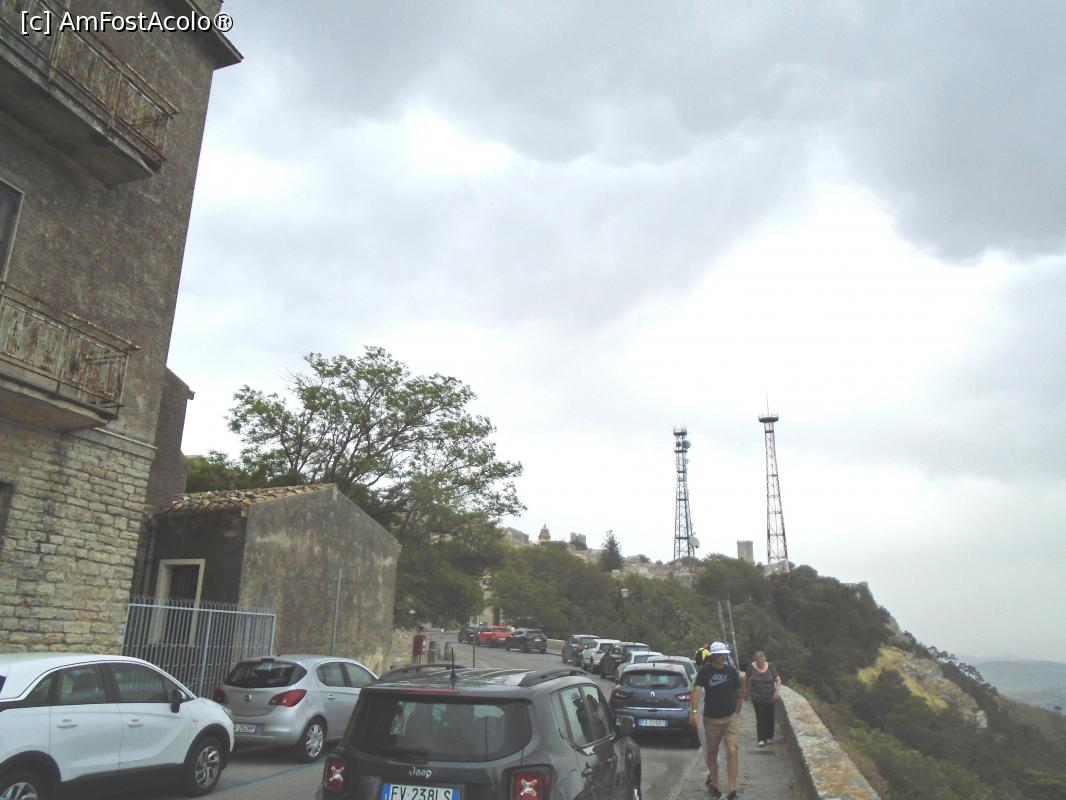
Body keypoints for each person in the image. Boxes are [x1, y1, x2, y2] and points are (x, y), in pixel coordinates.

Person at [690, 641, 742, 800]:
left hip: (729, 717)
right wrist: (694, 712)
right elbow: (696, 691)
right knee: (712, 753)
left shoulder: (731, 672)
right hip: (711, 719)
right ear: (713, 656)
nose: (723, 657)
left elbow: (739, 693)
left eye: (724, 654)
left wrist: (736, 712)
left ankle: (732, 790)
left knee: (732, 751)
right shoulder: (705, 672)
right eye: (720, 655)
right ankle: (716, 787)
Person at [742, 650, 781, 747]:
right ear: (755, 660)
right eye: (758, 661)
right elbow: (746, 677)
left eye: (761, 661)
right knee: (760, 717)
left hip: (770, 696)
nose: (760, 663)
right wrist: (745, 689)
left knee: (770, 717)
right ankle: (761, 739)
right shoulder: (751, 667)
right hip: (757, 696)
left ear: (765, 659)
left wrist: (776, 691)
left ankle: (769, 737)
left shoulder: (770, 666)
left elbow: (778, 679)